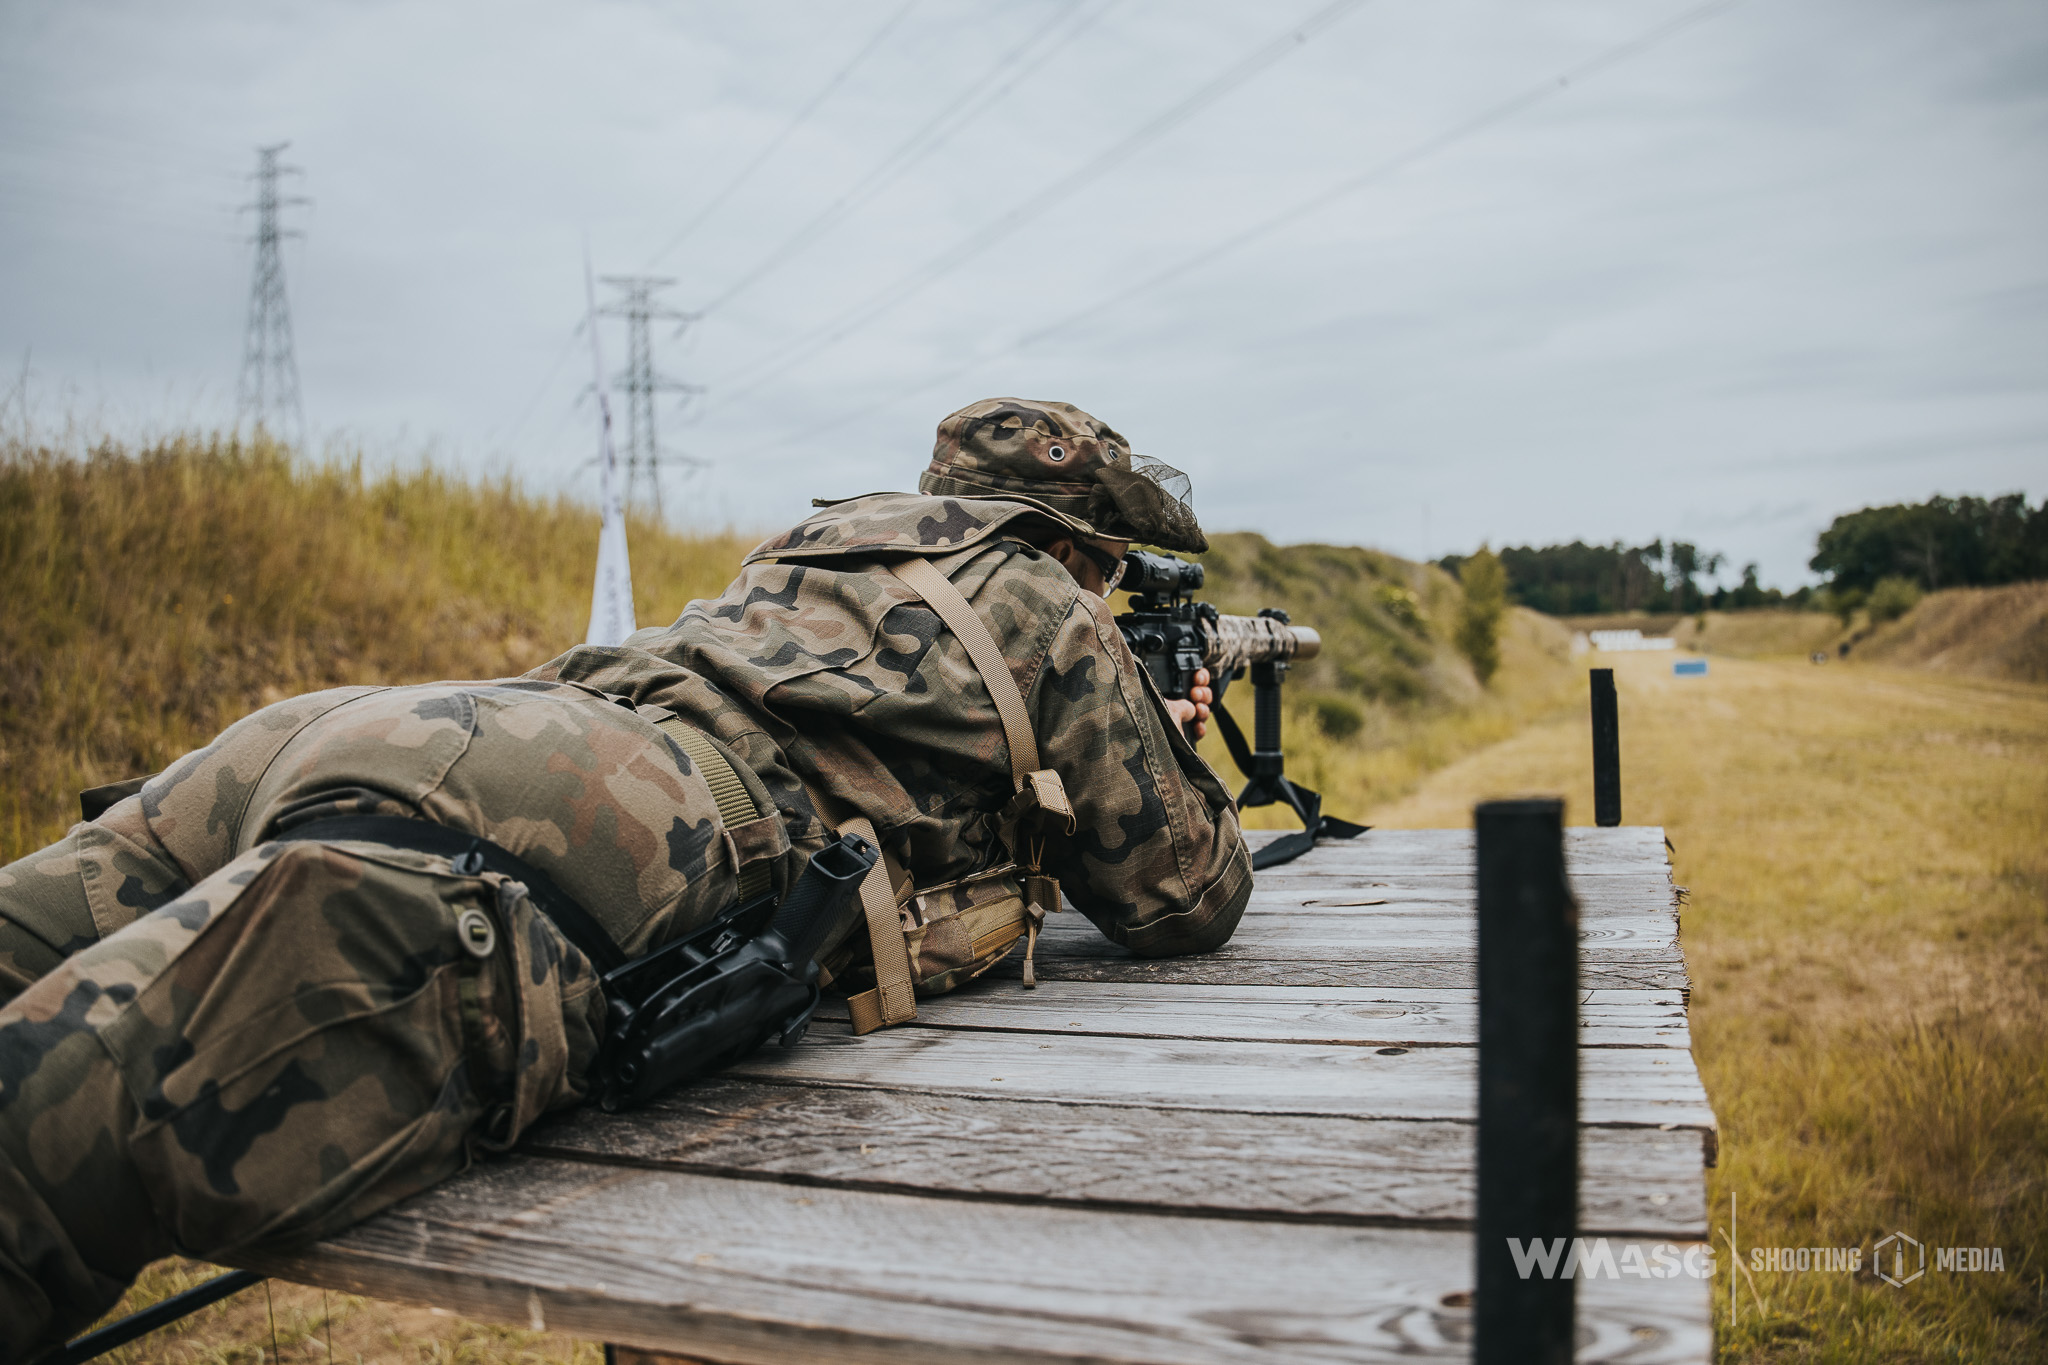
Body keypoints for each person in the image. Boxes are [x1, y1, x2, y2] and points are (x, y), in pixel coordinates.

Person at [0, 397, 1251, 1350]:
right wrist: (1164, 736)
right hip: (585, 821)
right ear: (1080, 541)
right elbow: (1181, 897)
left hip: (404, 726)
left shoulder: (814, 548)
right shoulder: (1050, 597)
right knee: (51, 1158)